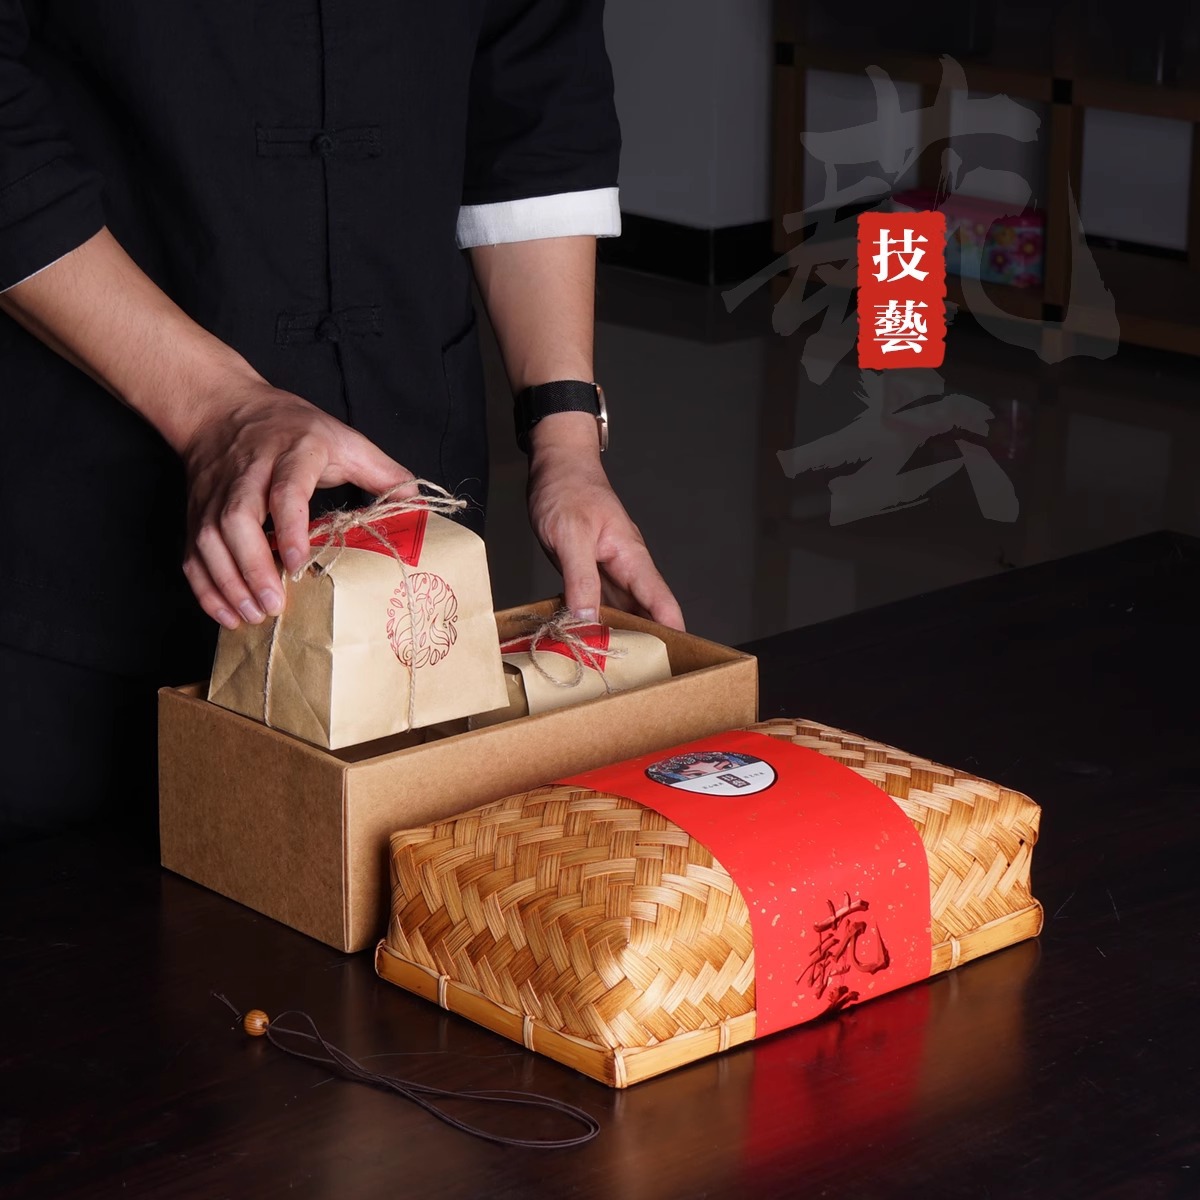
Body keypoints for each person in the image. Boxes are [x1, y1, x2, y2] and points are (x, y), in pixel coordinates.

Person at [0, 2, 683, 841]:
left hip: (403, 491)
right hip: (80, 499)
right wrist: (214, 402)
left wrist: (567, 440)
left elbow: (537, 86)